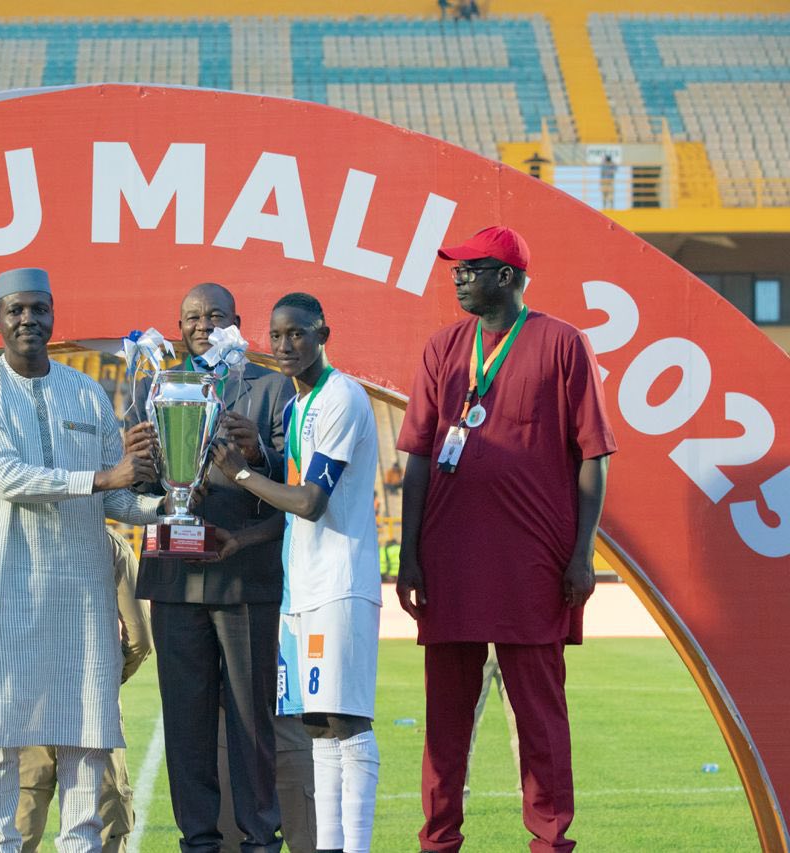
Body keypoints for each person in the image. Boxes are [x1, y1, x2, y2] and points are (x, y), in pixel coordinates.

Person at [394, 225, 616, 853]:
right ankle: (438, 841)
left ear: (511, 276)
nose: (459, 277)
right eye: (457, 268)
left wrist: (582, 556)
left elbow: (594, 455)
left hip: (535, 564)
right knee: (445, 720)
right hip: (449, 559)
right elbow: (416, 456)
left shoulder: (562, 343)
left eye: (473, 267)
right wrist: (410, 556)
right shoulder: (443, 347)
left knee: (540, 717)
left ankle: (549, 842)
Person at [0, 267, 163, 852]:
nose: (28, 320)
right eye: (15, 310)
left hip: (78, 592)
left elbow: (116, 497)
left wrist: (173, 505)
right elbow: (9, 477)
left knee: (85, 739)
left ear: (52, 316)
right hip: (5, 591)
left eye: (38, 310)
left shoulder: (87, 393)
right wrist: (105, 475)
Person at [126, 282, 294, 853]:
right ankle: (197, 840)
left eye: (214, 315)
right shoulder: (156, 386)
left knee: (252, 723)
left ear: (236, 322)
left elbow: (295, 483)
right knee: (186, 725)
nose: (202, 324)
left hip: (244, 573)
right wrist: (140, 461)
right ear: (179, 327)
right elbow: (140, 483)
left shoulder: (272, 388)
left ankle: (259, 839)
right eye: (191, 316)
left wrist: (259, 456)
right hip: (175, 577)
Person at [212, 292, 382, 853]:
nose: (286, 347)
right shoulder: (295, 406)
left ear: (323, 333)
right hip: (302, 588)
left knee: (346, 723)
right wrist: (244, 528)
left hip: (340, 585)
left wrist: (241, 474)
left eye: (298, 334)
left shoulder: (341, 398)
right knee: (317, 728)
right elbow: (289, 511)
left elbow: (310, 501)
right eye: (277, 336)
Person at [16, 528, 151, 853]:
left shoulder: (16, 539)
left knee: (17, 827)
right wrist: (108, 679)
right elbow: (141, 636)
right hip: (90, 703)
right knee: (102, 823)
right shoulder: (109, 543)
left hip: (30, 700)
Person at [464, 644, 521, 801]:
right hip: (498, 639)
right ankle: (533, 799)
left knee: (526, 727)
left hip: (510, 640)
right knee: (463, 727)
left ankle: (533, 798)